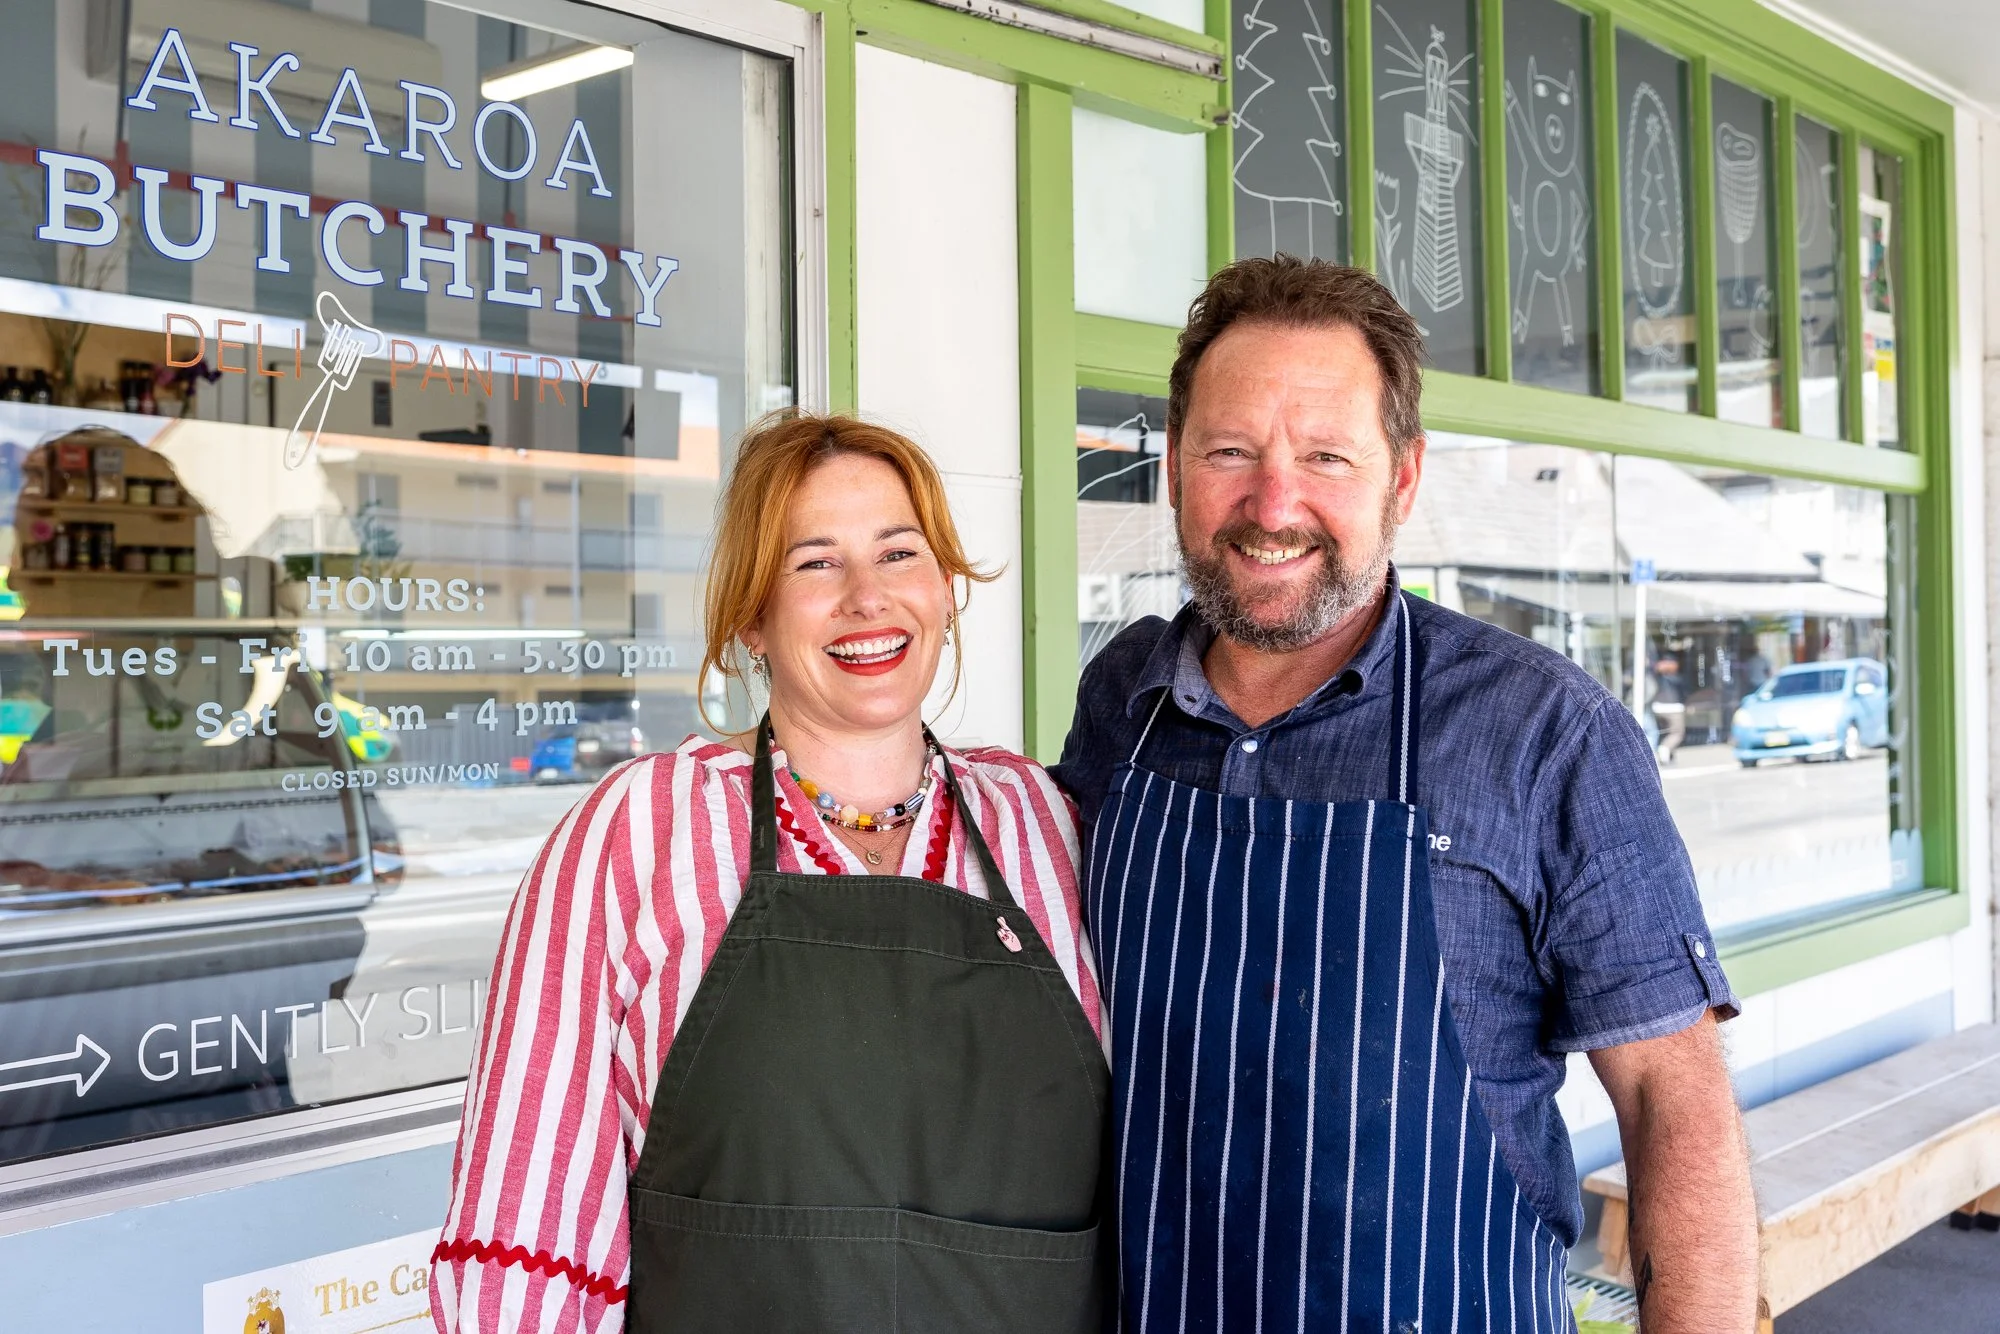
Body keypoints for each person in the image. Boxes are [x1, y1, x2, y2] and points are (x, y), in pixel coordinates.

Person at [1054, 258, 1758, 1333]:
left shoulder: (1542, 731)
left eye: (1325, 455)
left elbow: (1675, 1102)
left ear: (1403, 476)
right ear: (1175, 471)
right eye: (1229, 451)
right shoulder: (1122, 700)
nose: (1271, 502)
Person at [432, 413, 1110, 1333]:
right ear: (752, 619)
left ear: (946, 589)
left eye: (899, 553)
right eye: (815, 562)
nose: (868, 598)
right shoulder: (640, 834)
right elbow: (527, 1248)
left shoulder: (1049, 826)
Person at [1651, 653, 1689, 764]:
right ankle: (1665, 749)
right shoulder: (1677, 678)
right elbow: (1685, 692)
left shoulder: (1657, 676)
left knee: (1665, 732)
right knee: (1677, 733)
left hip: (1657, 707)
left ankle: (1668, 755)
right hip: (1674, 708)